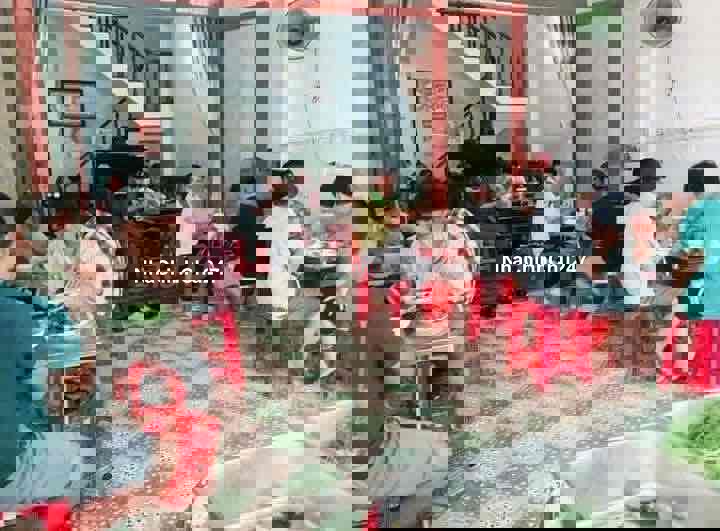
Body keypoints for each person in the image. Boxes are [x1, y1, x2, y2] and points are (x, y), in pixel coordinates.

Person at [0, 201, 98, 521]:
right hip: (11, 472)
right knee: (106, 453)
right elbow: (69, 388)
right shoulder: (28, 312)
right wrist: (66, 309)